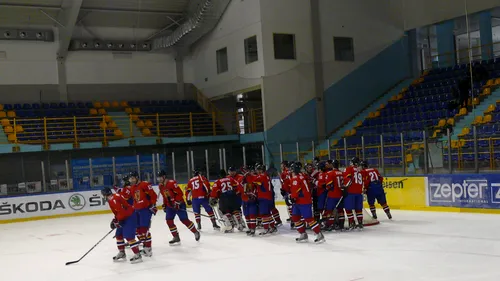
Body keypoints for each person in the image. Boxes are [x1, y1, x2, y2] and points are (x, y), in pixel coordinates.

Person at [157, 170, 200, 245]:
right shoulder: (160, 186)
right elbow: (165, 196)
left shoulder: (172, 183)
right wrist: (164, 205)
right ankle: (176, 237)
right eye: (158, 178)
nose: (159, 179)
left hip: (179, 204)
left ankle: (195, 232)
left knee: (184, 220)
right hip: (170, 206)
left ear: (164, 177)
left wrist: (177, 202)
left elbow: (179, 193)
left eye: (160, 177)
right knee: (169, 221)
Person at [101, 187, 142, 264]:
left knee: (129, 236)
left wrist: (119, 220)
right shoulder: (111, 200)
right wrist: (115, 220)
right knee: (118, 235)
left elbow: (122, 211)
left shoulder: (115, 199)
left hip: (130, 216)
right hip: (123, 217)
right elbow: (117, 212)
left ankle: (137, 254)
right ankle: (122, 253)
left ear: (105, 195)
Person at [289, 162, 325, 243]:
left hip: (303, 201)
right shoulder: (303, 176)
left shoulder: (295, 178)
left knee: (308, 218)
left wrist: (293, 198)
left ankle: (319, 234)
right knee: (295, 217)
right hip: (301, 201)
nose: (291, 170)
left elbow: (295, 190)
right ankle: (303, 234)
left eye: (292, 169)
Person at [129, 171, 157, 256]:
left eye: (133, 178)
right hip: (137, 210)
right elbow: (135, 200)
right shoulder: (132, 187)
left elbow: (153, 195)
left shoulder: (145, 184)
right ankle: (145, 245)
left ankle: (148, 248)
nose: (131, 180)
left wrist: (153, 205)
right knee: (138, 230)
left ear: (137, 177)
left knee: (144, 229)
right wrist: (133, 208)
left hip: (145, 210)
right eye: (130, 179)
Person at [253, 164, 278, 235]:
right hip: (268, 197)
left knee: (264, 214)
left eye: (257, 170)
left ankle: (266, 228)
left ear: (260, 170)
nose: (257, 171)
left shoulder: (261, 176)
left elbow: (253, 181)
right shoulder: (266, 176)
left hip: (263, 198)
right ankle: (273, 227)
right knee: (268, 213)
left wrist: (248, 175)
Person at [323, 159, 346, 231]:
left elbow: (328, 185)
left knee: (330, 210)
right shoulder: (342, 173)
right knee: (340, 210)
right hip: (340, 194)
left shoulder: (330, 173)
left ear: (332, 165)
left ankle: (330, 224)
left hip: (333, 195)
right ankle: (341, 225)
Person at [343, 157, 365, 230]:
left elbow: (348, 181)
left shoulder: (348, 169)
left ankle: (352, 223)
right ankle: (360, 223)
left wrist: (345, 188)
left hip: (351, 192)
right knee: (358, 209)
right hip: (359, 193)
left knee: (348, 209)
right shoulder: (361, 171)